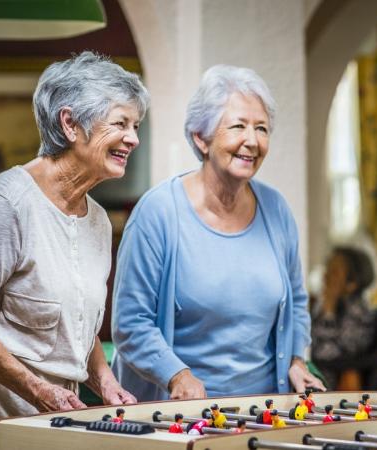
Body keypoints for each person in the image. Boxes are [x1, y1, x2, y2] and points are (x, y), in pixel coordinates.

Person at [0, 51, 148, 450]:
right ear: (70, 123)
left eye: (136, 125)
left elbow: (76, 325)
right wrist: (37, 389)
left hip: (43, 426)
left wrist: (105, 382)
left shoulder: (95, 219)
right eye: (121, 123)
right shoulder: (9, 203)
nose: (133, 137)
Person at [111, 64, 325, 400]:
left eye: (262, 129)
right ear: (201, 137)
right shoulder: (158, 213)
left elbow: (296, 300)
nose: (252, 141)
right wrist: (177, 376)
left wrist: (297, 359)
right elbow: (131, 323)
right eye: (238, 126)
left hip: (264, 412)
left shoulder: (276, 209)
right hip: (179, 417)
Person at [310, 246, 377, 390]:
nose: (325, 276)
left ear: (352, 283)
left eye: (334, 272)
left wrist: (328, 310)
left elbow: (326, 352)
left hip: (332, 382)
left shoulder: (358, 311)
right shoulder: (333, 305)